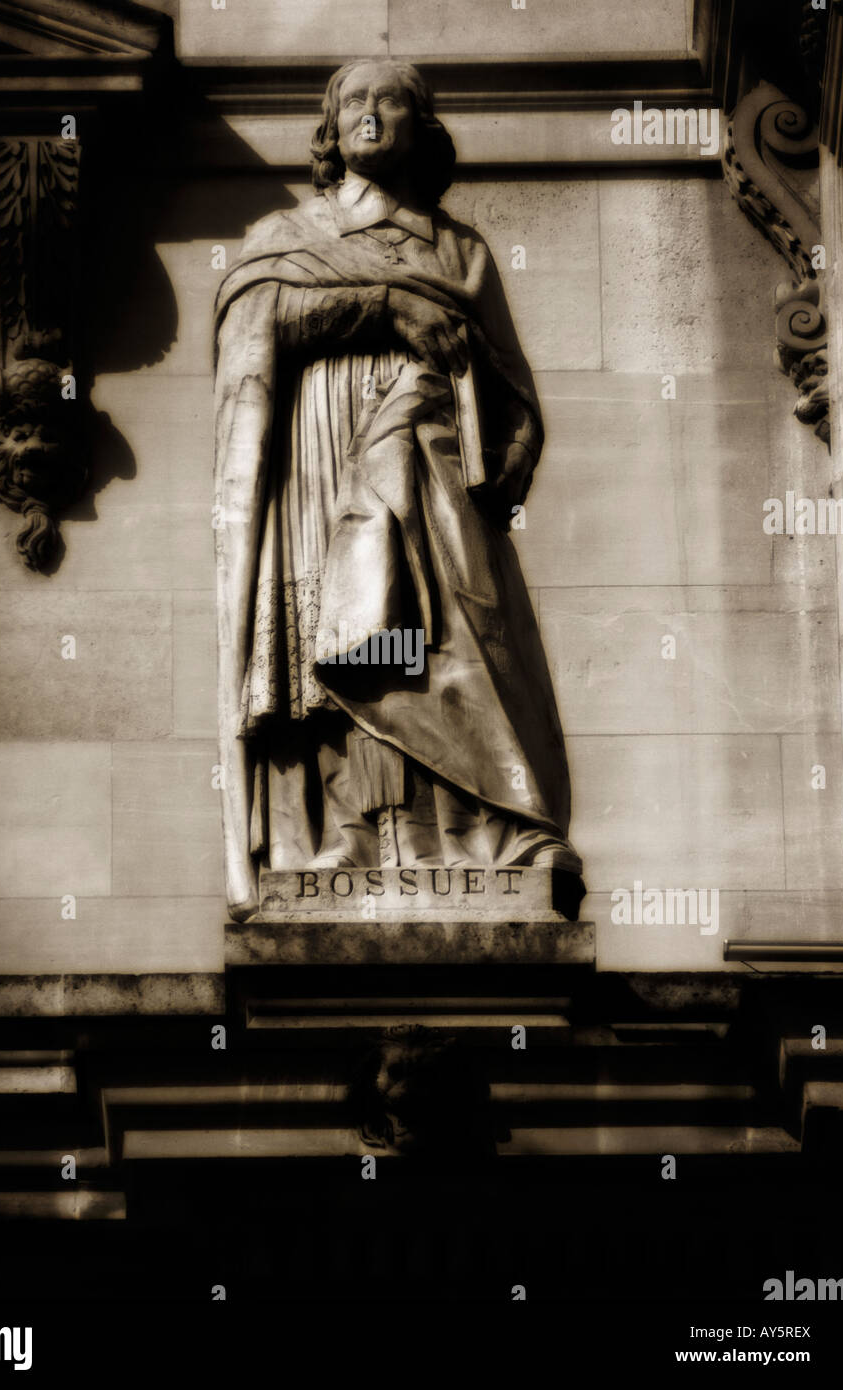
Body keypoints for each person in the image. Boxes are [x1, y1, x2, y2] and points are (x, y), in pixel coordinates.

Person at [214, 59, 581, 919]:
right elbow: (251, 327)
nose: (368, 114)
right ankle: (339, 839)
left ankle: (463, 830)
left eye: (389, 100)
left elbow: (511, 386)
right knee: (340, 632)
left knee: (443, 633)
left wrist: (507, 453)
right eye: (351, 101)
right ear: (329, 128)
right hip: (320, 454)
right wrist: (379, 306)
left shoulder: (460, 250)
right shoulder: (282, 234)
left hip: (433, 460)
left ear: (422, 126)